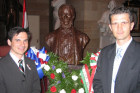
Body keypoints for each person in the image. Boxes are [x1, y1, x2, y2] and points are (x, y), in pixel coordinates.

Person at [93, 6, 140, 93]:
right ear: (110, 27)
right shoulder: (104, 53)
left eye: (124, 23)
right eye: (115, 23)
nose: (119, 28)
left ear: (131, 26)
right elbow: (97, 81)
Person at [0, 27, 41, 93]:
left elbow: (36, 88)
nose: (22, 44)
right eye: (18, 40)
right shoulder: (1, 66)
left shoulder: (31, 63)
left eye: (25, 40)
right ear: (9, 42)